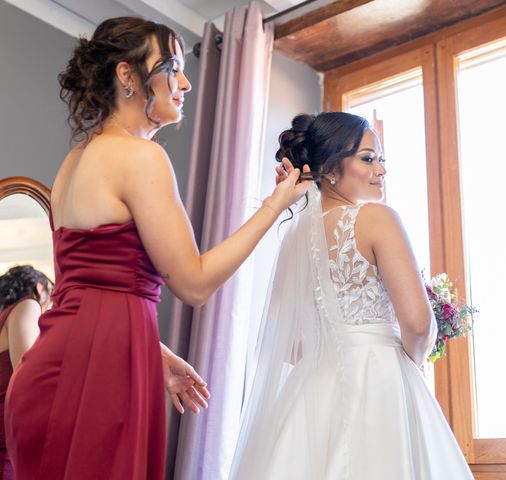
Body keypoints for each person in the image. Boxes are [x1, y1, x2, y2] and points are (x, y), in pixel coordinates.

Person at [5, 17, 310, 479]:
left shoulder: (76, 159)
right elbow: (195, 282)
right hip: (97, 379)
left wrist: (152, 350)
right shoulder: (141, 157)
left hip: (51, 372)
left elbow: (87, 289)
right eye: (171, 67)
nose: (185, 83)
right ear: (128, 76)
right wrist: (273, 206)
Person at [230, 112, 473, 479]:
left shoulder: (294, 239)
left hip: (311, 389)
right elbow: (419, 325)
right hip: (380, 380)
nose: (381, 169)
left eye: (381, 160)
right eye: (367, 157)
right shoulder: (377, 218)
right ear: (328, 168)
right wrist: (413, 364)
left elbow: (292, 344)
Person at [0, 266, 53, 479]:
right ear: (40, 289)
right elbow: (28, 378)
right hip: (7, 441)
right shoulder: (29, 305)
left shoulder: (4, 319)